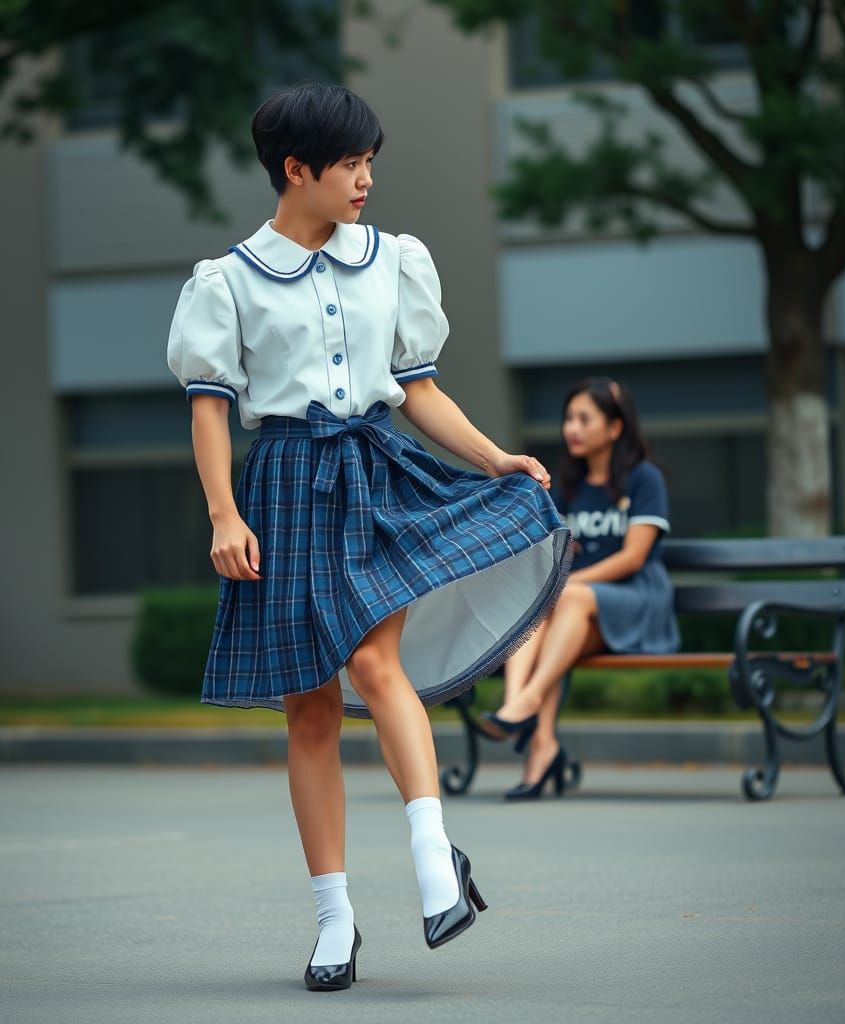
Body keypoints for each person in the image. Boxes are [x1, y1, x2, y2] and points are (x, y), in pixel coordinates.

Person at [166, 83, 572, 991]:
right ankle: (334, 921)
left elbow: (417, 388)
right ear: (295, 170)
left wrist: (494, 453)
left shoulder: (392, 259)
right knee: (309, 709)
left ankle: (436, 862)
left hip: (375, 473)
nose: (364, 181)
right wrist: (224, 514)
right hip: (282, 486)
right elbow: (210, 409)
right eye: (349, 165)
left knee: (377, 666)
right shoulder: (227, 281)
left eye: (370, 163)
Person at [481, 377, 680, 799]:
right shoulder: (567, 484)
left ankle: (523, 702)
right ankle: (538, 740)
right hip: (579, 614)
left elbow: (633, 558)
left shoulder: (644, 480)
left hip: (638, 601)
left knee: (559, 596)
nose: (572, 427)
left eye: (584, 418)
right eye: (569, 418)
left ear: (614, 427)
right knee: (546, 606)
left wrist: (564, 584)